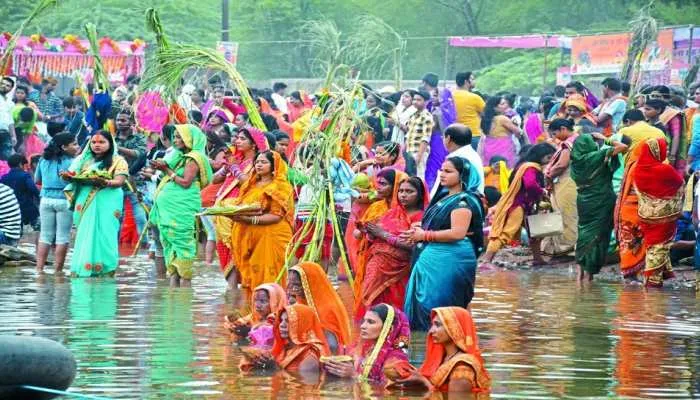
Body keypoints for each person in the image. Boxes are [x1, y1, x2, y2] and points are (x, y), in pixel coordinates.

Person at [404, 157, 485, 330]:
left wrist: (424, 235)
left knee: (440, 305)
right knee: (424, 305)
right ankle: (424, 352)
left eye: (448, 171)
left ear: (462, 175)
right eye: (442, 170)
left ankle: (447, 348)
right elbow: (443, 224)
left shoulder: (462, 201)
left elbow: (458, 232)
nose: (442, 174)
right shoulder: (445, 197)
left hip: (449, 259)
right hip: (434, 258)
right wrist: (422, 228)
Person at [149, 124, 212, 287]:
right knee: (169, 244)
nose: (176, 140)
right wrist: (160, 167)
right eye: (175, 137)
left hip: (182, 206)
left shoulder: (193, 158)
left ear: (190, 139)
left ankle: (184, 291)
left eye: (180, 137)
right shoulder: (177, 156)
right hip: (168, 208)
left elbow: (185, 182)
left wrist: (166, 170)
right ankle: (173, 294)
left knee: (183, 243)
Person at [62, 130, 128, 277]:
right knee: (85, 232)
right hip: (85, 199)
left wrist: (104, 182)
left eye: (102, 142)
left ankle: (105, 270)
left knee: (106, 233)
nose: (97, 145)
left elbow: (120, 181)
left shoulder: (118, 161)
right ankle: (83, 269)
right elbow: (74, 176)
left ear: (110, 144)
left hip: (108, 201)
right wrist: (68, 177)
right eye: (94, 142)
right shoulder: (83, 160)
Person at [358, 177, 428, 314]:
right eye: (401, 191)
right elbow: (375, 236)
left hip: (399, 269)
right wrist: (369, 232)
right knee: (371, 305)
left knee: (394, 307)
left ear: (420, 194)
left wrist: (383, 234)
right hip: (376, 267)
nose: (403, 195)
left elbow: (413, 245)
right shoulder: (391, 213)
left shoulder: (420, 217)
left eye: (409, 191)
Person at [229, 150, 293, 290]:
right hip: (251, 237)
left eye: (264, 162)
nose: (259, 165)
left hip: (272, 236)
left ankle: (275, 308)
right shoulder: (250, 185)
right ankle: (255, 310)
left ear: (274, 165)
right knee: (253, 277)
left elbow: (276, 216)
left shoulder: (281, 187)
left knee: (270, 277)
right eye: (257, 162)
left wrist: (250, 220)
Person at [482, 143, 555, 265]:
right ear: (540, 156)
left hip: (526, 205)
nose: (549, 161)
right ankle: (486, 261)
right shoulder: (531, 168)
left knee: (534, 233)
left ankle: (538, 259)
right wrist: (542, 191)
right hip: (518, 206)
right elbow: (530, 185)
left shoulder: (524, 166)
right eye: (548, 158)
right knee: (504, 234)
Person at [214, 127, 268, 286]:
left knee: (238, 248)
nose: (237, 141)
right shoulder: (237, 159)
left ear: (254, 144)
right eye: (237, 138)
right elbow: (214, 180)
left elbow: (249, 183)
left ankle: (239, 290)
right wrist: (226, 167)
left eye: (242, 138)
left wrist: (234, 168)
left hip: (241, 211)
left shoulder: (257, 162)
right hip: (223, 212)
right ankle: (232, 292)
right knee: (226, 249)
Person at [571, 133, 628, 281]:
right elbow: (623, 147)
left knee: (584, 233)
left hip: (583, 200)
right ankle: (589, 274)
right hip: (602, 199)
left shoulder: (575, 162)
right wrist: (605, 139)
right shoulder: (596, 157)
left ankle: (579, 276)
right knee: (599, 235)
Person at [396, 307, 490, 393]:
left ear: (453, 328)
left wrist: (425, 382)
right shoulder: (443, 359)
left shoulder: (462, 368)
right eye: (432, 325)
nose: (431, 331)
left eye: (438, 325)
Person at [633, 138, 684, 287]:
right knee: (660, 246)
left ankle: (656, 277)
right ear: (656, 151)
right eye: (664, 149)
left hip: (646, 215)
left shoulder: (637, 168)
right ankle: (652, 283)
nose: (667, 151)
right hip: (664, 217)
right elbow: (679, 183)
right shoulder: (664, 169)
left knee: (652, 245)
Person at [354, 168, 407, 310]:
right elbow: (357, 234)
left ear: (395, 185)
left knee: (394, 297)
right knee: (369, 296)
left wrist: (381, 232)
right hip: (372, 257)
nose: (378, 187)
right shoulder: (376, 206)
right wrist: (364, 230)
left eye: (383, 184)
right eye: (378, 183)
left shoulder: (405, 210)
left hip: (397, 262)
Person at [323, 304, 411, 383]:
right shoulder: (357, 348)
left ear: (389, 329)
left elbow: (389, 390)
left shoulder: (396, 360)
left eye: (370, 322)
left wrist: (354, 376)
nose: (363, 326)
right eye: (363, 321)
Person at [35, 133, 80, 272]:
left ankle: (39, 269)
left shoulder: (43, 160)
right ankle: (58, 271)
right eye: (74, 144)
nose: (77, 147)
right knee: (62, 237)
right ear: (64, 147)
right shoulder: (73, 162)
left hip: (46, 200)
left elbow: (37, 180)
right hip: (64, 200)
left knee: (45, 236)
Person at [288, 262, 353, 353]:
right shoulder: (299, 303)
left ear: (312, 283)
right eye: (291, 285)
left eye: (298, 285)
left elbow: (332, 346)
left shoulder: (327, 309)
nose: (293, 289)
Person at [541, 119, 579, 257]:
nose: (554, 136)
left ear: (563, 129)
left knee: (566, 215)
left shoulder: (569, 143)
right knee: (566, 214)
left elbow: (562, 165)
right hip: (569, 182)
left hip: (566, 182)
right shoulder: (577, 139)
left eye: (555, 133)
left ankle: (566, 248)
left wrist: (548, 175)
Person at [114, 110, 148, 240]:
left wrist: (118, 149)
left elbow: (140, 154)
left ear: (132, 123)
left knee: (140, 216)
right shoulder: (112, 138)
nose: (120, 123)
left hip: (135, 181)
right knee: (117, 215)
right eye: (118, 120)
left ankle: (144, 243)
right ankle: (114, 246)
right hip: (117, 182)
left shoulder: (139, 137)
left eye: (123, 120)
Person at [271, 304, 330, 373]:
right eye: (281, 320)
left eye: (288, 321)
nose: (281, 325)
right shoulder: (286, 348)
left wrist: (273, 368)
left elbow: (303, 382)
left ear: (303, 324)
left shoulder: (310, 354)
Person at [226, 283, 287, 348]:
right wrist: (234, 327)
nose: (257, 305)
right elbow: (239, 324)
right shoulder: (253, 317)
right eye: (255, 300)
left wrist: (249, 332)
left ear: (274, 302)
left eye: (262, 301)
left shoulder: (278, 320)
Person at [431, 123, 484, 196]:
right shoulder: (473, 154)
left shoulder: (456, 159)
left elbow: (441, 188)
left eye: (443, 137)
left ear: (448, 139)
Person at [477, 95, 523, 168]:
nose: (505, 106)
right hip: (504, 148)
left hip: (489, 147)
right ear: (495, 107)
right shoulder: (502, 119)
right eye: (502, 104)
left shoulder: (486, 120)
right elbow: (518, 131)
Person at [0, 154, 40, 229]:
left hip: (11, 210)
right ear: (20, 164)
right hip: (27, 209)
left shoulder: (3, 178)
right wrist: (39, 198)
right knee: (36, 228)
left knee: (17, 230)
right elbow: (33, 189)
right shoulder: (25, 176)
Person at [404, 90, 434, 180]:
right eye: (414, 99)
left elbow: (426, 138)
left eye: (419, 100)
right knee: (409, 177)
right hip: (410, 151)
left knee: (419, 178)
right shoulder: (413, 116)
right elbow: (408, 135)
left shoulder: (427, 116)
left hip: (419, 152)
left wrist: (419, 156)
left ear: (426, 102)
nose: (415, 102)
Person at [451, 72, 485, 150]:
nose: (474, 81)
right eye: (472, 79)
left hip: (454, 135)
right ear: (466, 82)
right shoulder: (474, 98)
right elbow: (486, 114)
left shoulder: (450, 97)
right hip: (472, 135)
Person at [0, 77, 17, 154]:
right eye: (2, 83)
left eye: (7, 85)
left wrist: (13, 136)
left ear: (11, 89)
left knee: (5, 159)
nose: (4, 86)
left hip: (5, 133)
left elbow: (10, 121)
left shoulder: (11, 103)